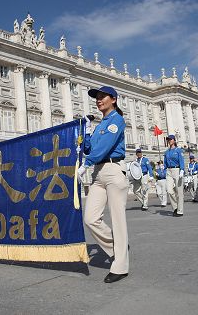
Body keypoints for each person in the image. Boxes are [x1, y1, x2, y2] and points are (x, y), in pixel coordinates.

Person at [77, 85, 129, 284]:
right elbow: (90, 149)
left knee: (118, 220)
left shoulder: (117, 120)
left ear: (113, 99)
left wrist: (85, 165)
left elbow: (105, 147)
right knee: (90, 218)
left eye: (102, 97)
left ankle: (120, 266)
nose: (98, 100)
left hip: (113, 170)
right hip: (98, 173)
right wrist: (87, 133)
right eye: (96, 98)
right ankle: (119, 247)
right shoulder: (100, 125)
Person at [163, 135, 185, 216]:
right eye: (168, 139)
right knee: (169, 190)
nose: (169, 141)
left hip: (177, 170)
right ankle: (175, 207)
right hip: (169, 171)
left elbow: (181, 160)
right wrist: (163, 168)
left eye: (171, 139)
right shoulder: (166, 152)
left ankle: (180, 211)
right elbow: (165, 162)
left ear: (174, 140)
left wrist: (182, 170)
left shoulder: (179, 150)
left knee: (179, 192)